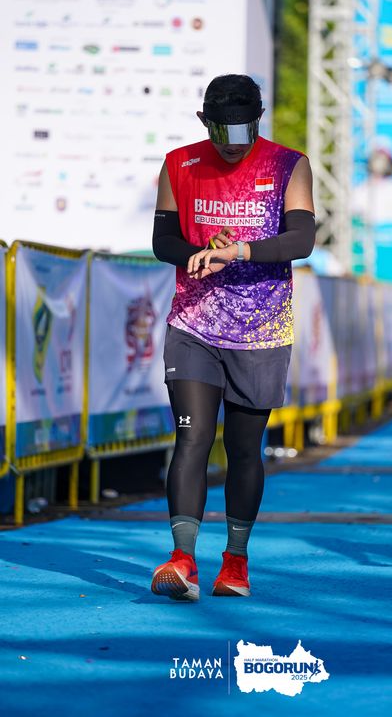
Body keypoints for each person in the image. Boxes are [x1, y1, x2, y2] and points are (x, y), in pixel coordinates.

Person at [150, 73, 315, 601]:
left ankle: (235, 563)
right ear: (205, 121)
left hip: (261, 330)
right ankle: (181, 561)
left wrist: (239, 251)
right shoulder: (179, 164)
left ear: (259, 119)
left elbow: (302, 239)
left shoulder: (288, 164)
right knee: (192, 437)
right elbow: (163, 241)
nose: (232, 144)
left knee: (244, 449)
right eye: (222, 132)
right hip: (193, 325)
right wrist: (196, 255)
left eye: (244, 131)